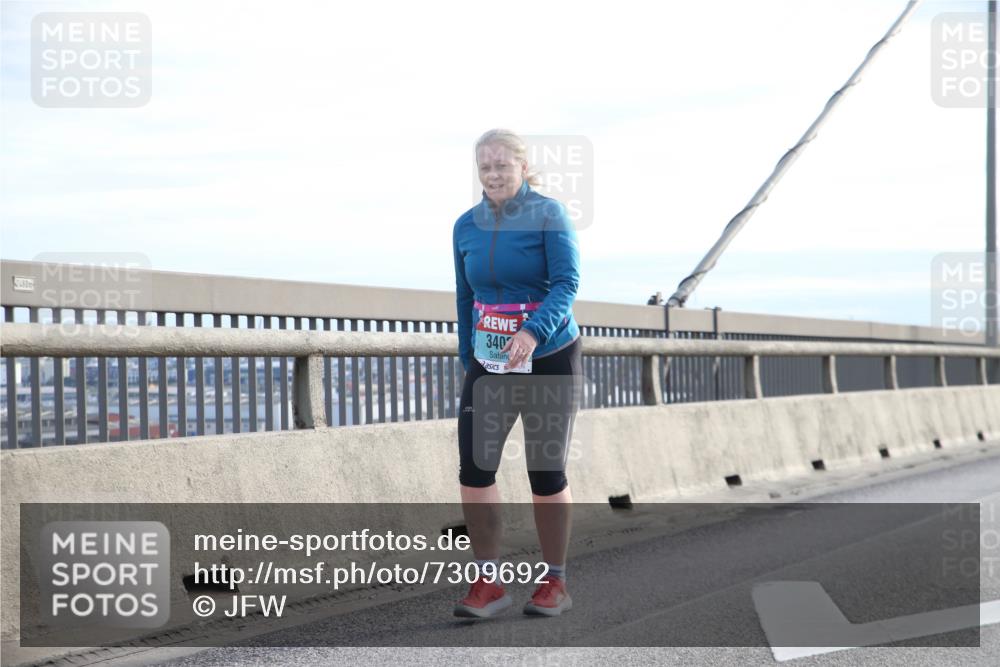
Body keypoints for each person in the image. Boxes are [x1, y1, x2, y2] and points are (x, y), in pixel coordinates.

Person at [451, 128, 583, 618]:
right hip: (490, 361)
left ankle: (556, 582)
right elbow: (466, 297)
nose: (493, 174)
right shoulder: (465, 225)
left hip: (548, 354)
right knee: (474, 468)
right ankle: (488, 583)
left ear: (523, 168)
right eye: (485, 167)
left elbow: (567, 283)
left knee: (545, 473)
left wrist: (530, 332)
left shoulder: (548, 214)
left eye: (502, 166)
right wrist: (470, 357)